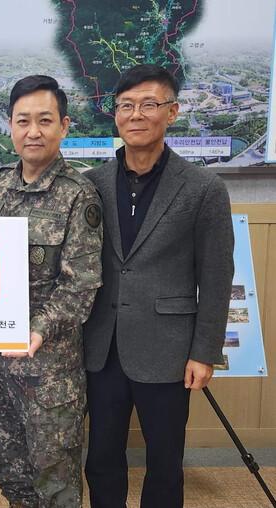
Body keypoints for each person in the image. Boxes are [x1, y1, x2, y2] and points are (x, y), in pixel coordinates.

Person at [83, 64, 234, 508]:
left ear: (172, 112)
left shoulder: (203, 188)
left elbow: (216, 275)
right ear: (115, 114)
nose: (136, 115)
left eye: (148, 104)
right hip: (102, 347)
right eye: (125, 105)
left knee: (165, 463)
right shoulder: (90, 184)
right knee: (101, 458)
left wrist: (205, 351)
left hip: (169, 349)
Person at [0, 75, 103, 507]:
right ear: (11, 126)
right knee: (9, 469)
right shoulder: (0, 185)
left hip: (49, 372)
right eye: (23, 121)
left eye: (45, 120)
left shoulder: (78, 195)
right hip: (0, 368)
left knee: (55, 482)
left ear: (64, 126)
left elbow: (80, 283)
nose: (33, 131)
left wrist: (37, 329)